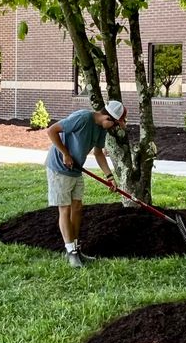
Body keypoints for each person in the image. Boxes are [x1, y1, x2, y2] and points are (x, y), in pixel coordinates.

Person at [45, 100, 127, 268]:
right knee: (65, 209)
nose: (113, 129)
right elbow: (52, 130)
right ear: (107, 118)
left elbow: (98, 153)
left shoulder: (101, 129)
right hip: (59, 168)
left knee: (77, 208)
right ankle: (70, 252)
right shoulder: (82, 118)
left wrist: (109, 177)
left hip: (75, 169)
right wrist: (65, 154)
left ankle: (76, 248)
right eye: (114, 124)